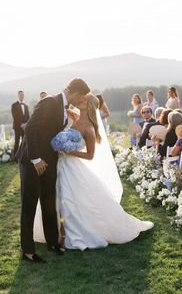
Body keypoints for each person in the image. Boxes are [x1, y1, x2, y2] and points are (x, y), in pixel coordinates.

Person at [34, 94, 153, 250]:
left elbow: (90, 155)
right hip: (59, 164)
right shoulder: (72, 118)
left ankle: (68, 234)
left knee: (70, 200)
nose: (81, 100)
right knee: (56, 198)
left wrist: (70, 152)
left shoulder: (89, 128)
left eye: (84, 99)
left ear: (89, 105)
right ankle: (58, 232)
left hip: (72, 166)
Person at [16, 78, 91, 263]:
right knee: (29, 204)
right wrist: (36, 159)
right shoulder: (49, 102)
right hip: (32, 161)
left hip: (49, 161)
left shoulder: (66, 108)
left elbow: (51, 132)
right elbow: (31, 130)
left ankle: (52, 242)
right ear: (74, 93)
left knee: (49, 201)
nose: (80, 100)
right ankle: (27, 250)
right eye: (81, 97)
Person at [11, 91, 30, 161]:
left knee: (25, 142)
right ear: (18, 96)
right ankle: (15, 158)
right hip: (17, 127)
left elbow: (28, 117)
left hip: (25, 127)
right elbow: (14, 116)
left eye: (23, 95)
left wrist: (26, 124)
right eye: (20, 95)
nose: (22, 96)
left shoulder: (26, 106)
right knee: (17, 141)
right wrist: (21, 124)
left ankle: (24, 156)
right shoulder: (14, 105)